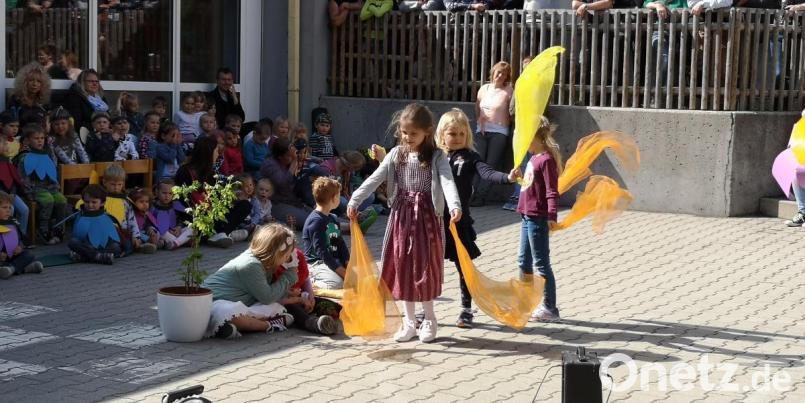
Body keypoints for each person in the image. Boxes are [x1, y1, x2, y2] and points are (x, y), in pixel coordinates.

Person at [348, 103, 462, 343]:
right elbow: (375, 177)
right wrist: (355, 199)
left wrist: (454, 205)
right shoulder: (396, 154)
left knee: (424, 268)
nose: (407, 137)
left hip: (426, 220)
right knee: (402, 267)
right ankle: (409, 323)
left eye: (413, 133)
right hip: (401, 218)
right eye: (404, 132)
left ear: (427, 132)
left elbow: (447, 181)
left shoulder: (437, 156)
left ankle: (429, 319)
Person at [435, 108, 518, 328]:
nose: (458, 138)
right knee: (429, 265)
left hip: (458, 222)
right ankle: (426, 310)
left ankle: (466, 310)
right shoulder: (435, 156)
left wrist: (508, 177)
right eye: (452, 134)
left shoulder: (471, 158)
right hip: (433, 222)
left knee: (464, 267)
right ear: (442, 134)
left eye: (462, 134)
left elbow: (488, 172)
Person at [200, 224, 299, 339]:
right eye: (286, 256)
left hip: (242, 304)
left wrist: (287, 292)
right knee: (227, 312)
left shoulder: (265, 263)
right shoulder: (251, 265)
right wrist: (288, 276)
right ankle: (267, 325)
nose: (287, 259)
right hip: (214, 303)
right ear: (275, 254)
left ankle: (226, 328)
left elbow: (264, 293)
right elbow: (267, 297)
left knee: (274, 307)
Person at [517, 116, 561, 323]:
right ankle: (526, 301)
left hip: (538, 217)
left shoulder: (546, 160)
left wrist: (552, 215)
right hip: (527, 216)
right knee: (523, 261)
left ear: (536, 136)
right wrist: (517, 178)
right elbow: (531, 185)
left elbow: (552, 191)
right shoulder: (533, 158)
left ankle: (550, 308)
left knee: (541, 263)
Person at [175, 136, 251, 247]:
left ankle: (221, 234)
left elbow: (216, 197)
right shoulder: (185, 171)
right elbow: (181, 199)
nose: (218, 154)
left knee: (245, 205)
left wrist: (232, 197)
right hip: (196, 216)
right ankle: (220, 234)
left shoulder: (211, 172)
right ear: (209, 153)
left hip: (211, 214)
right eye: (216, 151)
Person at [471, 61, 513, 207]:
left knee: (490, 166)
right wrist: (479, 118)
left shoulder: (508, 90)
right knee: (477, 163)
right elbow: (477, 105)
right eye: (499, 72)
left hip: (499, 132)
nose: (500, 75)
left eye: (504, 73)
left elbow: (513, 110)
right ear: (493, 72)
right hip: (481, 131)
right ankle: (472, 194)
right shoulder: (484, 89)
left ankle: (480, 197)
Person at [17, 123, 66, 245]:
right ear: (27, 141)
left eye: (42, 138)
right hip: (35, 189)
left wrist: (55, 187)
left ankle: (58, 228)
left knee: (61, 199)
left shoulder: (47, 154)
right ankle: (43, 229)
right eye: (36, 138)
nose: (40, 141)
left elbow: (52, 173)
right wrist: (29, 194)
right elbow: (23, 178)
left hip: (49, 187)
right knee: (47, 199)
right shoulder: (24, 157)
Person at [97, 164, 157, 255]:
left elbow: (132, 220)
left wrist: (135, 237)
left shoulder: (125, 201)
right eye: (113, 184)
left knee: (126, 244)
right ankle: (131, 249)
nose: (116, 187)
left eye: (119, 184)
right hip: (105, 233)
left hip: (123, 234)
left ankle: (136, 245)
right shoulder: (100, 199)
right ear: (104, 182)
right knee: (118, 246)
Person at [303, 177, 350, 290]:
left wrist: (347, 263)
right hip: (317, 263)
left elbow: (340, 243)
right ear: (333, 199)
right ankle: (310, 281)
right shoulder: (316, 221)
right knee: (338, 283)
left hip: (332, 260)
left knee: (359, 277)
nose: (340, 198)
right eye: (339, 196)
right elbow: (321, 251)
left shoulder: (333, 218)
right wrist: (340, 271)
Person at [259, 137, 314, 228]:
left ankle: (342, 224)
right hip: (275, 204)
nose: (292, 157)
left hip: (292, 201)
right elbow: (283, 183)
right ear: (280, 157)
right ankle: (341, 226)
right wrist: (294, 162)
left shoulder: (286, 161)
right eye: (289, 155)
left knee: (319, 215)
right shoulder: (270, 165)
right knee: (311, 220)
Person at [68, 184, 122, 265]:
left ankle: (85, 256)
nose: (90, 205)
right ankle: (98, 256)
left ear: (102, 203)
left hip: (102, 247)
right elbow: (78, 236)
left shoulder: (105, 216)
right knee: (73, 242)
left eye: (94, 202)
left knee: (116, 247)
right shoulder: (80, 215)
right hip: (87, 245)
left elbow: (111, 237)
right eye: (87, 202)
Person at [0, 190, 43, 280]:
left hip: (11, 256)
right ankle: (25, 269)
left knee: (29, 254)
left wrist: (20, 247)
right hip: (2, 258)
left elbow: (21, 239)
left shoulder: (13, 222)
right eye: (4, 208)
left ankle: (11, 269)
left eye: (9, 207)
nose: (8, 210)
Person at [151, 178, 193, 250]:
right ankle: (181, 242)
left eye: (170, 193)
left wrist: (179, 227)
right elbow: (151, 222)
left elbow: (180, 218)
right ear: (157, 192)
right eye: (164, 193)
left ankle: (176, 243)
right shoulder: (152, 207)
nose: (167, 196)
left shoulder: (175, 205)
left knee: (193, 229)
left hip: (175, 231)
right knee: (161, 233)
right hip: (163, 232)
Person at [63, 69, 109, 133]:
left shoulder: (100, 98)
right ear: (82, 82)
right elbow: (77, 122)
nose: (94, 84)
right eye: (91, 81)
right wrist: (96, 127)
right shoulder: (75, 97)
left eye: (97, 81)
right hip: (86, 135)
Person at [0, 137, 29, 237]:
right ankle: (7, 238)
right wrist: (4, 195)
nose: (6, 146)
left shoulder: (8, 161)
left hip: (11, 194)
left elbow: (14, 180)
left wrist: (12, 193)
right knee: (9, 210)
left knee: (24, 210)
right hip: (1, 196)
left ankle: (21, 237)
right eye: (3, 144)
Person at [8, 63, 51, 128]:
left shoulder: (44, 103)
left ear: (43, 84)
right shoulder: (16, 99)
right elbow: (10, 123)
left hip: (38, 137)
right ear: (24, 82)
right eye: (31, 80)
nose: (35, 84)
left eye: (38, 81)